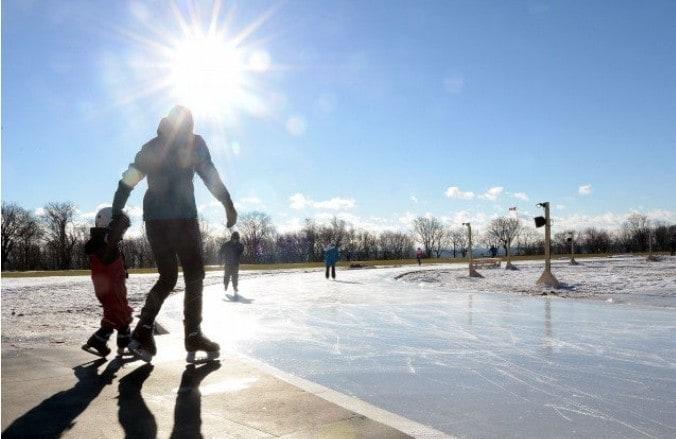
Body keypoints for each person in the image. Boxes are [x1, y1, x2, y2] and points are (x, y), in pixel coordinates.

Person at [109, 105, 237, 363]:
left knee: (167, 277)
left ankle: (143, 330)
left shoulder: (151, 146)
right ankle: (192, 334)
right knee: (194, 275)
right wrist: (228, 204)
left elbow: (128, 180)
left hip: (155, 220)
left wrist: (115, 211)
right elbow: (209, 175)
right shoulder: (194, 142)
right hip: (182, 218)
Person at [81, 207, 132, 357]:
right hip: (111, 288)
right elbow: (110, 262)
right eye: (120, 229)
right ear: (110, 227)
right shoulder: (104, 244)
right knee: (122, 314)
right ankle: (126, 344)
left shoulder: (102, 243)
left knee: (113, 316)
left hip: (108, 287)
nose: (122, 233)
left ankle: (98, 341)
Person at [219, 231, 244, 297]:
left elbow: (241, 250)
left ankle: (235, 287)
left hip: (235, 264)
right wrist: (220, 260)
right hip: (227, 263)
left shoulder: (239, 245)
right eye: (234, 239)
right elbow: (221, 252)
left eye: (236, 239)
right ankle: (225, 285)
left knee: (235, 276)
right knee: (227, 275)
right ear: (232, 238)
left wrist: (239, 247)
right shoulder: (226, 244)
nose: (235, 240)